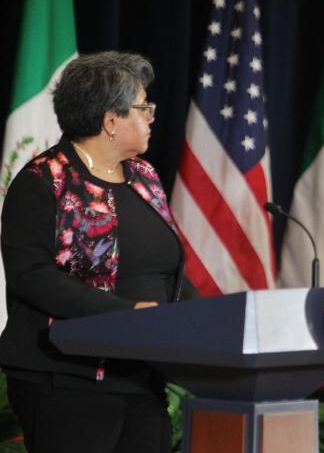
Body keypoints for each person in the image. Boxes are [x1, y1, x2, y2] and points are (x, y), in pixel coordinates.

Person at [0, 51, 197, 453]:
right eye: (143, 107)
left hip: (141, 373)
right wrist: (128, 316)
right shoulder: (42, 182)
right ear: (111, 120)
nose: (152, 116)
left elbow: (166, 269)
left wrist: (203, 318)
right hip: (66, 377)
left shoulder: (144, 177)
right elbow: (32, 275)